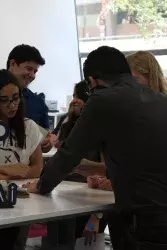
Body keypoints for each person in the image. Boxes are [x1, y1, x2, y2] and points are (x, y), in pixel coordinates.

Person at [24, 46, 167, 250]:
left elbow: (69, 154)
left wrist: (41, 186)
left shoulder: (103, 100)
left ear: (93, 81)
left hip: (151, 226)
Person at [0, 69, 43, 250]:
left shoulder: (28, 126)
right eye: (4, 100)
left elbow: (37, 168)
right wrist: (10, 170)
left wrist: (1, 175)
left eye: (16, 98)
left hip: (19, 204)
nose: (12, 105)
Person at [44, 80, 107, 249]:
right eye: (74, 96)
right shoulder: (67, 120)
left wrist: (96, 216)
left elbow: (106, 173)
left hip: (90, 200)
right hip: (63, 193)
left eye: (81, 97)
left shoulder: (101, 128)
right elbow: (54, 140)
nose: (74, 100)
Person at [7, 44, 52, 153]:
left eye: (35, 71)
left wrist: (47, 144)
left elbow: (46, 135)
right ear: (12, 64)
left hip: (27, 167)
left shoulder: (38, 103)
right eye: (29, 68)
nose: (32, 75)